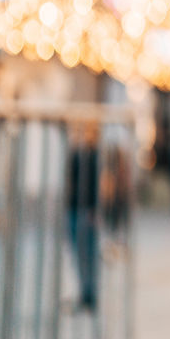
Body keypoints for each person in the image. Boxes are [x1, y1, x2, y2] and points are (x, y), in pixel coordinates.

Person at [66, 122, 102, 313]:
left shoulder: (95, 156)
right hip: (73, 208)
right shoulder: (75, 153)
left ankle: (91, 292)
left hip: (87, 210)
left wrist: (95, 210)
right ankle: (83, 291)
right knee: (78, 254)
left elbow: (96, 186)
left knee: (89, 253)